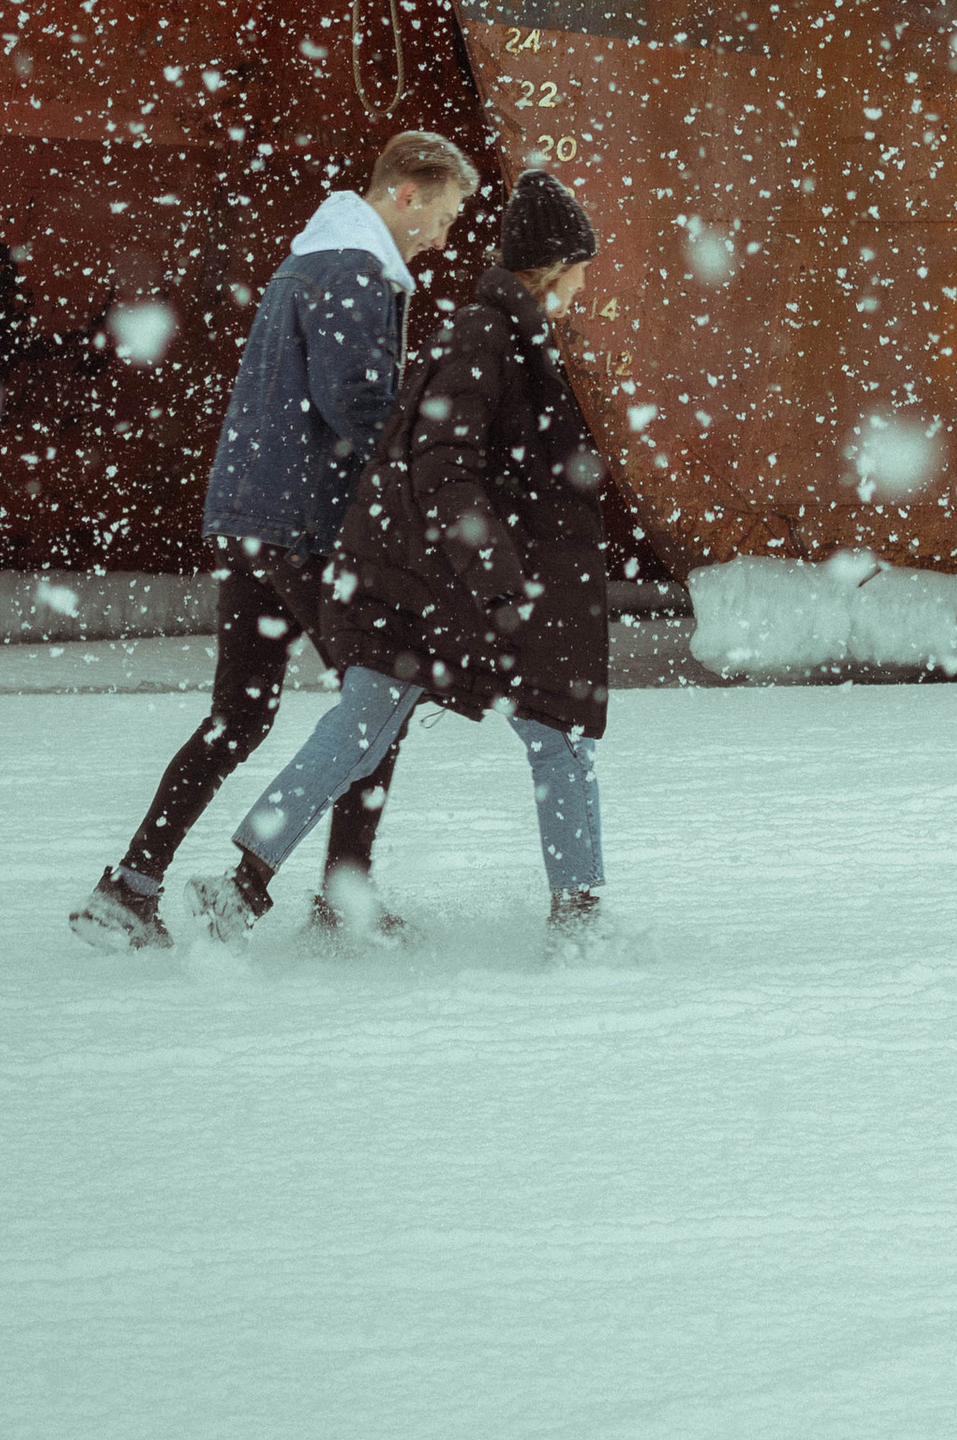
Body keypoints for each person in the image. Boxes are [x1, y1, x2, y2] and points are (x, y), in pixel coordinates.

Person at [70, 129, 481, 951]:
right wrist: (427, 483)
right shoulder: (352, 270)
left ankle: (129, 888)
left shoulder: (311, 260)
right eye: (445, 212)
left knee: (239, 714)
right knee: (379, 708)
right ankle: (340, 903)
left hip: (253, 519)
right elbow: (357, 406)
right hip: (309, 527)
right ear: (405, 192)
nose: (446, 233)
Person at [191, 169, 609, 944]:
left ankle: (242, 884)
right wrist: (500, 579)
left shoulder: (492, 334)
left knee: (365, 720)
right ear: (553, 265)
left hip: (422, 576)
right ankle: (580, 922)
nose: (585, 285)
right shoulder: (491, 337)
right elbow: (446, 467)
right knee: (558, 735)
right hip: (450, 585)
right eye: (581, 267)